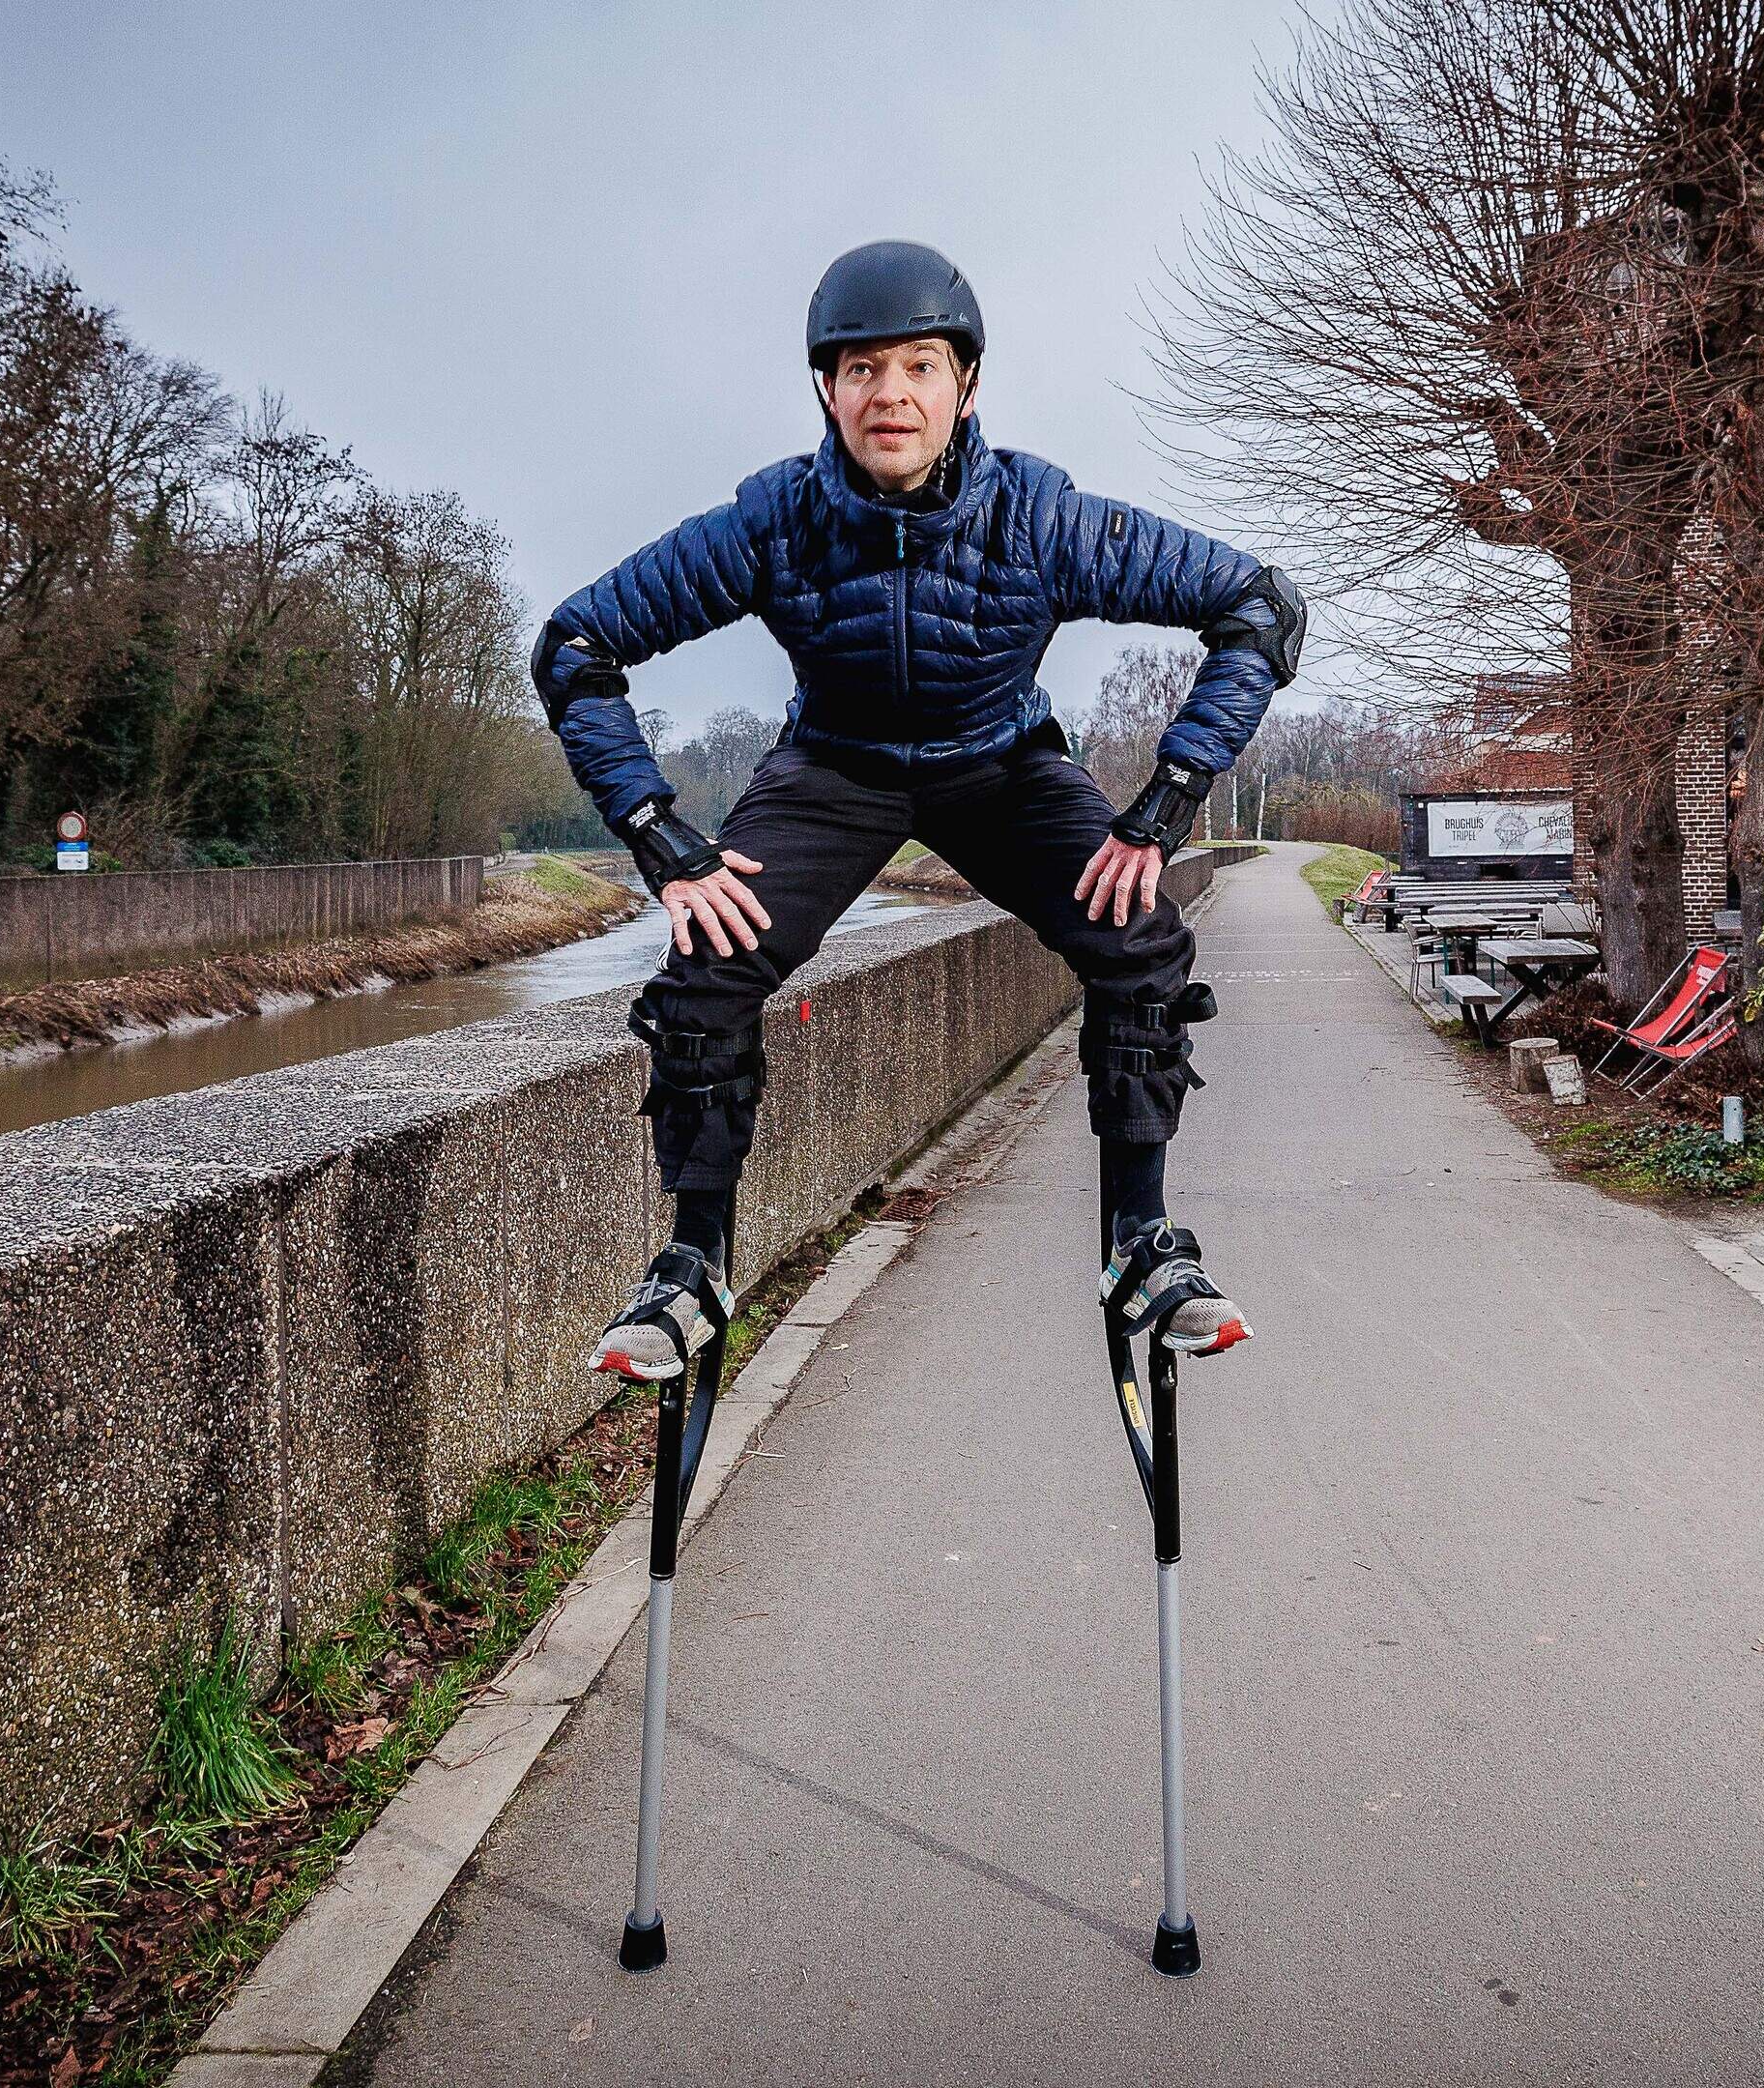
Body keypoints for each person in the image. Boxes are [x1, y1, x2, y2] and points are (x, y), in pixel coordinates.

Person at [536, 240, 1301, 1384]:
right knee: (705, 964)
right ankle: (693, 1261)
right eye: (859, 371)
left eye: (918, 367)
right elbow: (577, 646)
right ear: (826, 391)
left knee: (1139, 939)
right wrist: (660, 837)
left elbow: (1258, 608)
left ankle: (1140, 1241)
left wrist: (1164, 805)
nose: (889, 394)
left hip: (999, 762)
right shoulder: (774, 521)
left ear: (966, 386)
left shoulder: (1041, 516)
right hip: (832, 769)